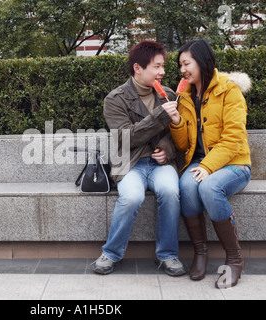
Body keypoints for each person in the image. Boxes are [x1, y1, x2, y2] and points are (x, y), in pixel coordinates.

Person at [92, 40, 185, 277]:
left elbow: (180, 134)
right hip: (130, 163)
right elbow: (126, 138)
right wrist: (159, 116)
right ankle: (110, 253)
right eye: (157, 66)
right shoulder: (115, 99)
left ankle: (168, 255)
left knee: (171, 192)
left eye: (163, 66)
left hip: (160, 164)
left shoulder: (171, 96)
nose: (163, 72)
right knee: (132, 197)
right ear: (137, 68)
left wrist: (168, 150)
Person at [169, 39, 252, 288]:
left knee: (208, 187)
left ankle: (235, 259)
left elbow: (235, 138)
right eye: (180, 65)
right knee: (186, 187)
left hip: (234, 164)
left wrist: (207, 167)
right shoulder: (184, 95)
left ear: (202, 61)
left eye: (187, 63)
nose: (183, 69)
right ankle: (200, 252)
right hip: (198, 161)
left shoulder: (229, 90)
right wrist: (175, 121)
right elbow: (184, 145)